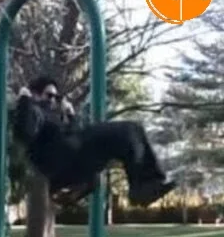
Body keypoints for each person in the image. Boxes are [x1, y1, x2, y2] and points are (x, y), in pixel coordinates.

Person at [13, 75, 175, 207]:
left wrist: (71, 116)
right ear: (35, 94)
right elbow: (24, 133)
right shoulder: (33, 110)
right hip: (62, 161)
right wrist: (24, 100)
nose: (53, 100)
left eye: (56, 97)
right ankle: (143, 187)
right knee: (129, 129)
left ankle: (146, 185)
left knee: (132, 134)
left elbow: (71, 134)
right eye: (49, 95)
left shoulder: (51, 117)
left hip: (74, 158)